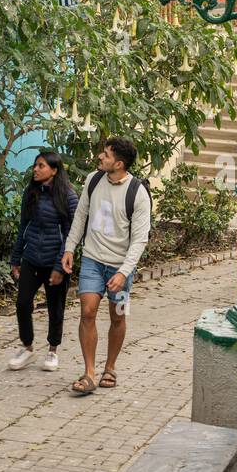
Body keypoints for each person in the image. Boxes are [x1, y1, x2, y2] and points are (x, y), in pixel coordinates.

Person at [61, 136, 151, 396]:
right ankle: (89, 373)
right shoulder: (94, 179)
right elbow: (80, 216)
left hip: (122, 268)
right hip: (92, 260)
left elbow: (140, 239)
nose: (100, 157)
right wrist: (70, 247)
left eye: (106, 155)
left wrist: (124, 272)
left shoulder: (138, 193)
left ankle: (109, 367)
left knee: (117, 316)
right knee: (87, 310)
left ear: (119, 163)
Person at [9, 151, 79, 372]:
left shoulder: (68, 196)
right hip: (32, 258)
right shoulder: (31, 192)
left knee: (55, 308)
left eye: (41, 166)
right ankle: (27, 347)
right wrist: (16, 258)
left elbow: (71, 234)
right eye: (35, 166)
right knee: (22, 304)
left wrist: (60, 266)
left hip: (55, 261)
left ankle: (52, 351)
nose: (35, 170)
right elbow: (23, 226)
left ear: (54, 170)